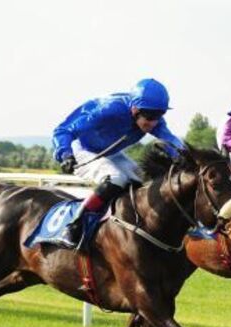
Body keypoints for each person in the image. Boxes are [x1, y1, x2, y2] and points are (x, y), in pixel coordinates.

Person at [52, 78, 184, 245]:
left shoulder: (151, 117)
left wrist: (187, 157)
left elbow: (171, 141)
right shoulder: (108, 110)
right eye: (150, 116)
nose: (153, 122)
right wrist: (65, 154)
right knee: (116, 178)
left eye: (159, 115)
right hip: (81, 149)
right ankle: (74, 225)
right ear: (134, 109)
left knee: (141, 180)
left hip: (111, 152)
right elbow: (63, 130)